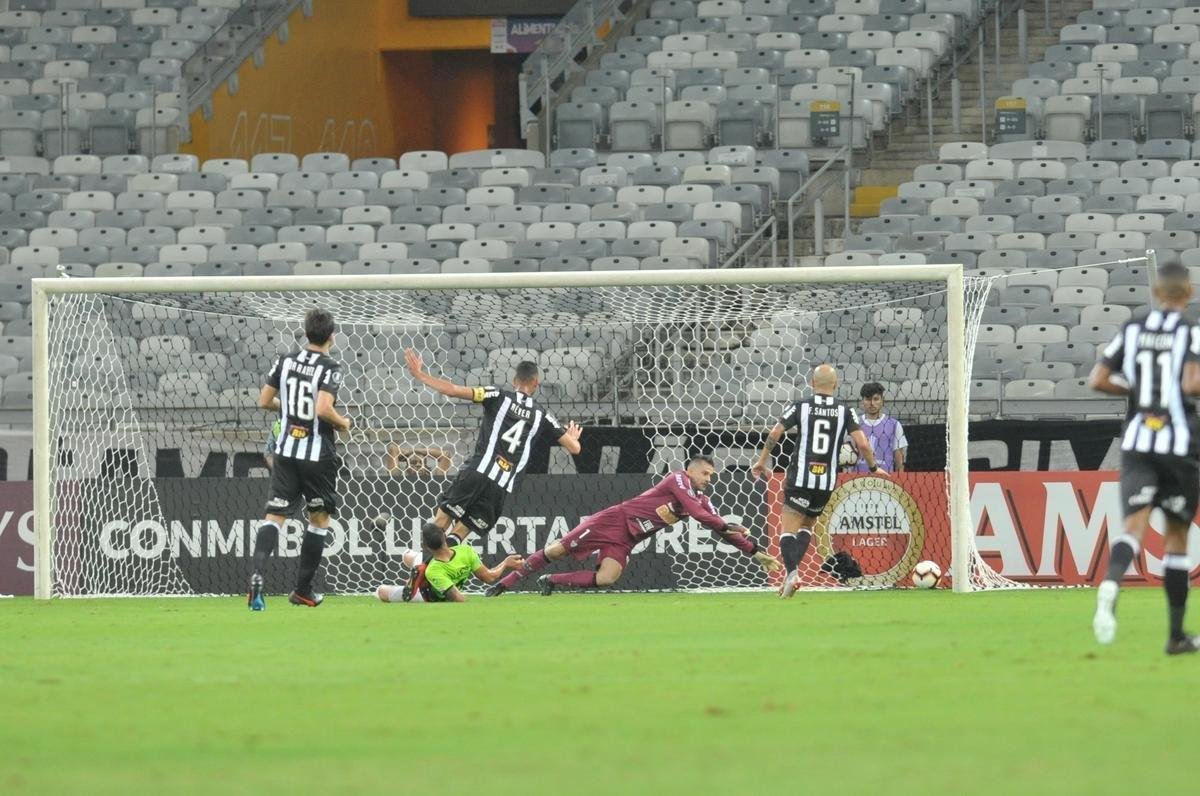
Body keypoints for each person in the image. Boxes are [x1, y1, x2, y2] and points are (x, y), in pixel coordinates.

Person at [1090, 262, 1200, 654]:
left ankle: (1109, 584)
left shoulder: (1133, 327)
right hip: (1177, 446)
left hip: (1137, 440)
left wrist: (1136, 393)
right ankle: (1175, 636)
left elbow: (1098, 379)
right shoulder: (1190, 331)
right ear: (1187, 293)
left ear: (1156, 292)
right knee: (1175, 541)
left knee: (1132, 530)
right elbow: (1190, 383)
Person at [486, 455, 781, 596]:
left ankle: (550, 582)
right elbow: (703, 517)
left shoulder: (702, 500)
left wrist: (755, 552)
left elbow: (719, 529)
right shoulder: (677, 479)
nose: (707, 479)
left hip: (627, 540)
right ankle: (504, 584)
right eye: (704, 473)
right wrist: (727, 523)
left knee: (607, 579)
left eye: (710, 476)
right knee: (554, 550)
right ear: (689, 470)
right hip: (612, 521)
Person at [404, 349, 582, 545]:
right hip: (500, 485)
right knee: (457, 537)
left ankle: (420, 571)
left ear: (515, 381)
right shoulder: (542, 414)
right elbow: (574, 448)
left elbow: (452, 390)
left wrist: (420, 375)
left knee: (438, 527)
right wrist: (573, 438)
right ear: (536, 384)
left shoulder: (497, 395)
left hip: (478, 471)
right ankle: (444, 568)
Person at [751, 364, 888, 598]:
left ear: (812, 383)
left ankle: (792, 574)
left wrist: (762, 461)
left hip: (800, 478)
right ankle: (790, 577)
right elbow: (863, 444)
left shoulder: (801, 406)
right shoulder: (845, 411)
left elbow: (775, 433)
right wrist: (874, 467)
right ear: (836, 385)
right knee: (807, 527)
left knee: (787, 531)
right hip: (825, 482)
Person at [246, 308, 352, 610]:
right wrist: (343, 422)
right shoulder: (331, 367)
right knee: (318, 520)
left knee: (274, 517)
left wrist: (290, 408)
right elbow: (322, 409)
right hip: (317, 455)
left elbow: (264, 401)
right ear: (332, 335)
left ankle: (257, 575)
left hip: (285, 452)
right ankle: (303, 590)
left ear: (305, 333)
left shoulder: (285, 360)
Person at [376, 523, 524, 603]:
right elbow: (489, 577)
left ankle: (414, 571)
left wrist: (506, 563)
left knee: (381, 590)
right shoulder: (466, 551)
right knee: (407, 557)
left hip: (426, 588)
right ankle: (413, 569)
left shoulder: (434, 569)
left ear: (426, 547)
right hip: (425, 584)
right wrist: (505, 563)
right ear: (445, 536)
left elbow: (459, 598)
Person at [851, 382, 907, 473]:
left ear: (882, 401)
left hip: (885, 479)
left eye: (876, 399)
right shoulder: (854, 424)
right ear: (862, 402)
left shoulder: (894, 424)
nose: (872, 403)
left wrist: (899, 480)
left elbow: (899, 459)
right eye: (868, 399)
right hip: (857, 479)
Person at [384, 443, 453, 477]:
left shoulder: (436, 479)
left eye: (422, 463)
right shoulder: (397, 478)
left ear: (426, 467)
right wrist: (410, 453)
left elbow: (445, 455)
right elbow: (393, 449)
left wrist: (415, 451)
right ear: (407, 468)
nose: (418, 465)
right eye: (413, 462)